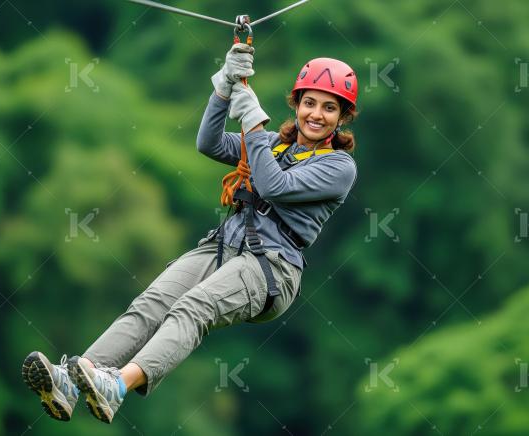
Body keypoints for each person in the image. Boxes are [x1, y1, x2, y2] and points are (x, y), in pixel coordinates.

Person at [20, 43, 359, 424]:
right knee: (152, 303)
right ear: (296, 105)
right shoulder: (275, 145)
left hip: (270, 269)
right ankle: (74, 378)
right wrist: (224, 88)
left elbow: (274, 185)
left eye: (329, 108)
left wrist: (253, 122)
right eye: (310, 103)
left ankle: (116, 387)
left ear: (343, 118)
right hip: (224, 246)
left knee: (193, 307)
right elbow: (209, 142)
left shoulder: (338, 167)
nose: (317, 114)